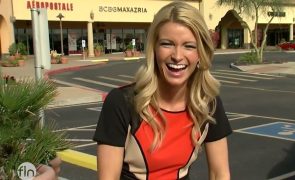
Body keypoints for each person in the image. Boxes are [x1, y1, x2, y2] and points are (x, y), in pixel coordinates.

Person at [93, 1, 232, 179]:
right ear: (154, 49)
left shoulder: (208, 103)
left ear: (201, 53)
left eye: (189, 46)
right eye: (167, 44)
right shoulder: (121, 102)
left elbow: (220, 173)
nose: (177, 56)